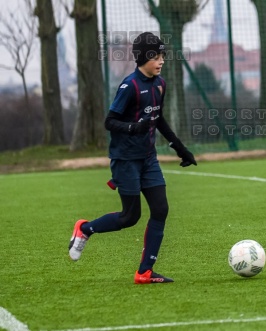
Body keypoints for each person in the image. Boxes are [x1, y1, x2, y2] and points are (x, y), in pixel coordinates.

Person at [68, 32, 197, 284]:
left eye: (163, 56)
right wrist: (132, 128)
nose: (161, 61)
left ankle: (144, 272)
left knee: (161, 209)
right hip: (125, 159)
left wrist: (180, 148)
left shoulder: (160, 84)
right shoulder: (129, 86)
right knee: (130, 217)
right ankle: (84, 229)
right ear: (142, 58)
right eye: (156, 57)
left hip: (148, 158)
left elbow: (158, 119)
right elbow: (109, 121)